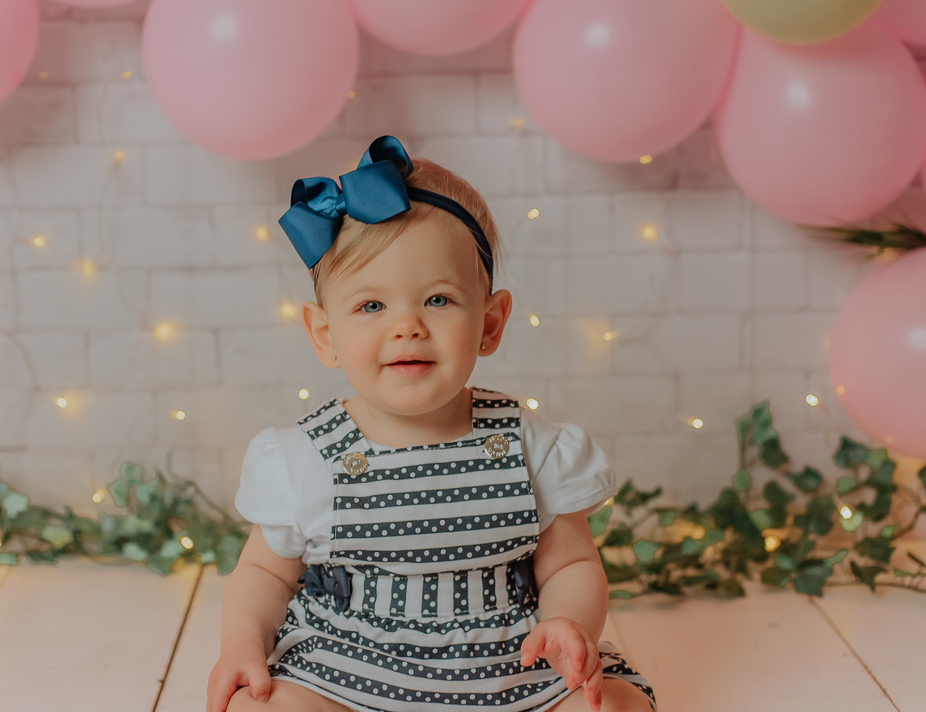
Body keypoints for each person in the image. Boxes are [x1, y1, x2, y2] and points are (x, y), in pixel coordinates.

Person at [206, 136, 657, 712]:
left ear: (489, 324)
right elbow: (264, 575)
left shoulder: (528, 446)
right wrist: (242, 645)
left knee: (613, 706)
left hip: (512, 668)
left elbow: (570, 563)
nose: (407, 327)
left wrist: (568, 622)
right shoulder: (305, 459)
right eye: (371, 306)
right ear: (325, 334)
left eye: (438, 300)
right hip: (346, 667)